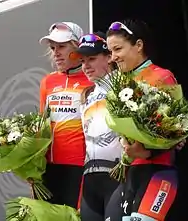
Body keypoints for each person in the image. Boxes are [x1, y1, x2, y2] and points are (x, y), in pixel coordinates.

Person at [105, 19, 185, 221]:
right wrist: (127, 144)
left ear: (139, 45)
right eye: (110, 51)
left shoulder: (162, 76)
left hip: (159, 171)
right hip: (132, 172)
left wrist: (147, 151)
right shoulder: (120, 82)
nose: (112, 58)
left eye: (117, 49)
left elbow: (178, 131)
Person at [69, 31, 123, 221]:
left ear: (109, 57)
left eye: (91, 59)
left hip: (118, 177)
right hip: (90, 179)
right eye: (83, 61)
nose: (86, 66)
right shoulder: (86, 96)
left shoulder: (125, 87)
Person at [39, 22, 93, 209]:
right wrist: (34, 165)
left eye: (62, 46)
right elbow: (41, 125)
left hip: (80, 166)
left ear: (77, 46)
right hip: (49, 167)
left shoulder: (92, 80)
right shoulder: (48, 81)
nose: (56, 52)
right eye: (53, 48)